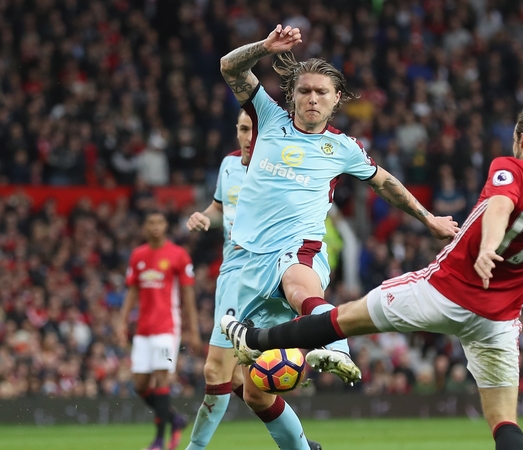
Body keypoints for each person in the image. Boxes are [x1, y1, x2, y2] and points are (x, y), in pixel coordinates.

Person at [219, 104, 523, 450]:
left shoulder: (510, 168)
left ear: (521, 138)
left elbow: (501, 206)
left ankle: (253, 338)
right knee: (504, 419)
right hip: (498, 319)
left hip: (442, 292)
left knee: (344, 318)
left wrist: (487, 248)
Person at [214, 24, 458, 450]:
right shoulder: (267, 117)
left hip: (298, 247)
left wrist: (428, 219)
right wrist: (265, 48)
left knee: (297, 283)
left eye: (321, 92)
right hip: (247, 260)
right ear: (292, 94)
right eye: (305, 90)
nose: (312, 98)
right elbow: (229, 67)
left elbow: (385, 184)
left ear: (336, 99)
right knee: (255, 390)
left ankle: (338, 349)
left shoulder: (343, 147)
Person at [183, 110, 322, 450]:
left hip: (258, 274)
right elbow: (221, 208)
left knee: (216, 371)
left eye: (254, 130)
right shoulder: (229, 166)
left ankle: (194, 449)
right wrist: (206, 217)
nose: (247, 137)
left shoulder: (281, 170)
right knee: (245, 386)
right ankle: (304, 448)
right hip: (228, 273)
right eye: (242, 129)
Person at [117, 210, 201, 450]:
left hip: (167, 327)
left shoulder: (178, 255)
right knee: (140, 385)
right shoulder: (138, 255)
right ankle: (175, 420)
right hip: (143, 329)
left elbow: (187, 295)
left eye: (159, 222)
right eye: (151, 222)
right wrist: (122, 321)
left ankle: (158, 440)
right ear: (145, 227)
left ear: (166, 226)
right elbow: (132, 290)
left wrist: (192, 329)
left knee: (162, 378)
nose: (155, 226)